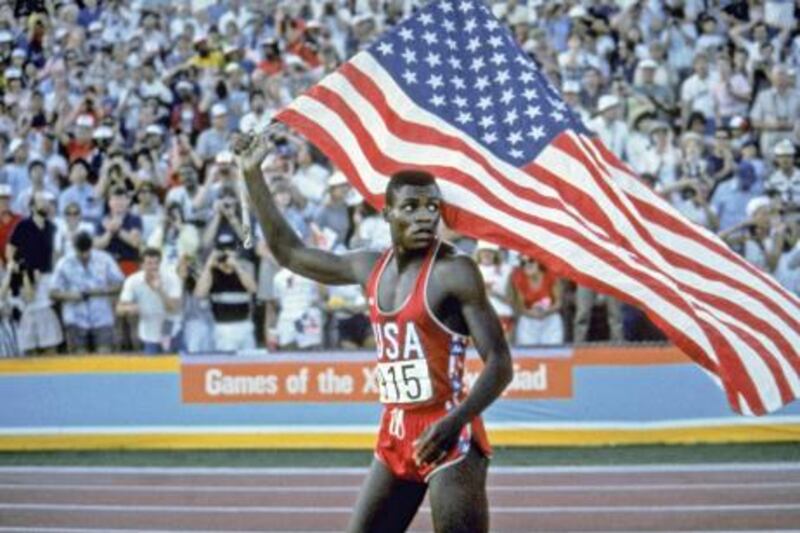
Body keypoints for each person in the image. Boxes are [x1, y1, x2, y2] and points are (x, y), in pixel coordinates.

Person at [236, 134, 513, 532]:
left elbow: (501, 364)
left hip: (449, 434)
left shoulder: (454, 270)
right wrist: (252, 175)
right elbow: (290, 254)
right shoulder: (369, 268)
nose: (424, 216)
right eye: (412, 207)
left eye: (432, 207)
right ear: (387, 214)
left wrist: (454, 421)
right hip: (395, 431)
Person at [50, 231, 124, 353]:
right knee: (79, 361)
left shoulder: (105, 259)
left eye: (87, 251)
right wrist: (71, 296)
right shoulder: (64, 262)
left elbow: (121, 284)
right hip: (75, 318)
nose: (84, 255)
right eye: (81, 252)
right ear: (74, 248)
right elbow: (52, 292)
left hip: (102, 317)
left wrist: (100, 291)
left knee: (104, 358)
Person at [194, 234, 258, 352]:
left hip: (245, 325)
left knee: (249, 364)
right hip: (223, 327)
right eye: (222, 249)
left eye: (229, 249)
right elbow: (199, 293)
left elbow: (253, 288)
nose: (226, 253)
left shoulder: (245, 266)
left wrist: (237, 266)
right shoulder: (212, 272)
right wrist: (208, 266)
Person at [117, 248, 183, 354]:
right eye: (149, 263)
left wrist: (160, 290)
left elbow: (174, 308)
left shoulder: (172, 278)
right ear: (141, 265)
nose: (154, 267)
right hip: (148, 330)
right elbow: (119, 309)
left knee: (169, 363)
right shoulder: (132, 281)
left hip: (169, 326)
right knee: (152, 365)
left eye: (156, 263)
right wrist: (129, 309)